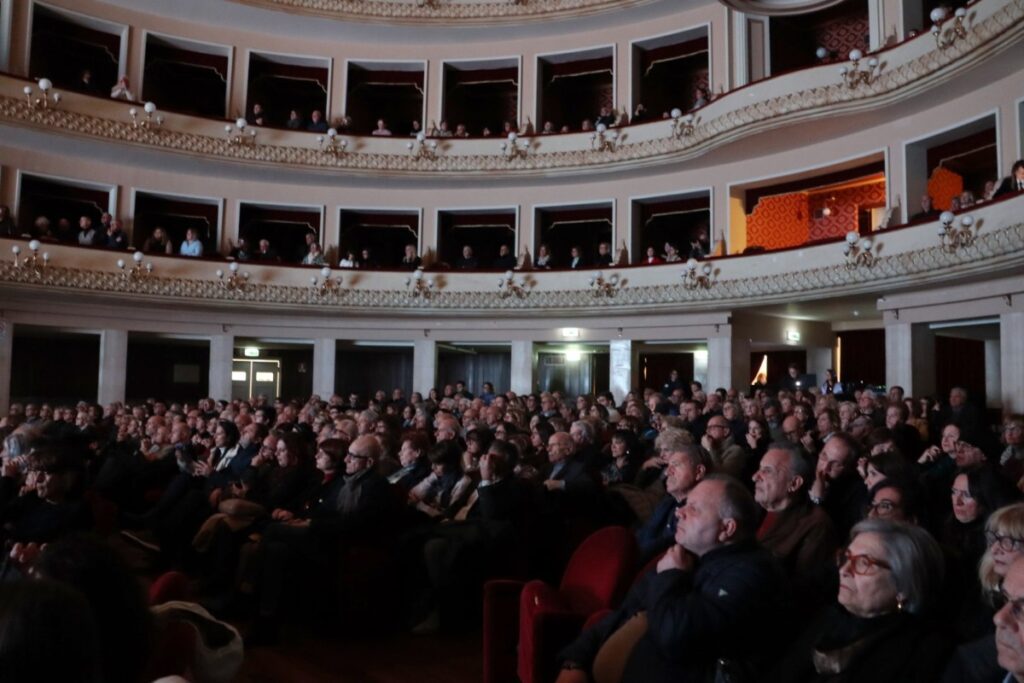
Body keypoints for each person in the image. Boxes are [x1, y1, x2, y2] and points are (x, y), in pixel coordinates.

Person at [557, 475, 789, 682]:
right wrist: (575, 660)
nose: (679, 512)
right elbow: (623, 614)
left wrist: (670, 576)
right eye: (685, 503)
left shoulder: (754, 573)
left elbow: (675, 637)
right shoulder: (685, 553)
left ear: (727, 528)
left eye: (694, 508)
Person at [766, 519, 950, 682]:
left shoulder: (921, 651)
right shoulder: (827, 616)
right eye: (846, 557)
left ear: (903, 586)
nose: (844, 570)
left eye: (863, 563)